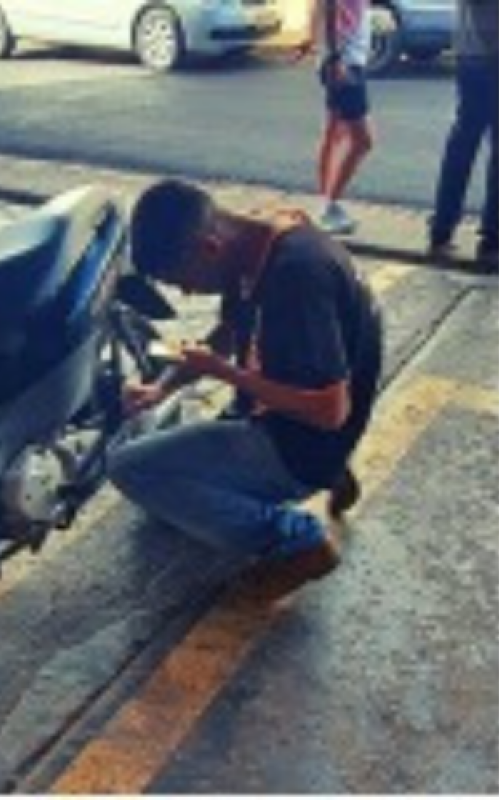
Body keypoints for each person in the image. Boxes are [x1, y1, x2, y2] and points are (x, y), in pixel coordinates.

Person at [108, 180, 383, 602]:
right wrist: (160, 389)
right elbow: (230, 328)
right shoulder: (260, 239)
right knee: (165, 470)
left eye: (182, 280)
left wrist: (223, 372)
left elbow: (329, 411)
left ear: (209, 247)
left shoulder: (296, 277)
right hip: (289, 424)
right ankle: (329, 472)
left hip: (300, 442)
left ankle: (298, 542)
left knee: (131, 468)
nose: (186, 292)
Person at [428, 0, 499, 270]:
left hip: (474, 54)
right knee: (484, 147)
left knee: (463, 143)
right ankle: (492, 239)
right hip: (489, 54)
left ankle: (442, 229)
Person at [293, 0, 375, 235]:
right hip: (344, 62)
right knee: (363, 141)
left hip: (341, 58)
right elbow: (328, 6)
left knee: (334, 134)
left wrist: (312, 38)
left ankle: (326, 205)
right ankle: (330, 206)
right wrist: (335, 57)